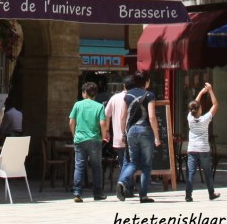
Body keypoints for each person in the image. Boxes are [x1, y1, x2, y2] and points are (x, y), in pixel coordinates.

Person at [115, 71, 160, 203]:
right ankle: (143, 195)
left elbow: (123, 116)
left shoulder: (127, 95)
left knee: (133, 162)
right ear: (146, 81)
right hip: (145, 130)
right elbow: (151, 117)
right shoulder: (149, 95)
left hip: (131, 132)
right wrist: (157, 137)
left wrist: (123, 132)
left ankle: (122, 181)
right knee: (146, 165)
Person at [68, 82, 108, 202]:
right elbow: (103, 123)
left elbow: (71, 122)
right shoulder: (99, 106)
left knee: (79, 166)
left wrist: (74, 135)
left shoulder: (77, 105)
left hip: (80, 139)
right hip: (95, 139)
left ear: (84, 93)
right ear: (95, 94)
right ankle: (97, 193)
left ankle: (77, 192)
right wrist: (103, 135)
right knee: (96, 166)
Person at [185, 82, 221, 202]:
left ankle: (188, 195)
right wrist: (210, 90)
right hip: (204, 149)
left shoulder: (190, 118)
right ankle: (211, 193)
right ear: (199, 110)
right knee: (207, 172)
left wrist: (201, 92)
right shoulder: (205, 119)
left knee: (190, 172)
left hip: (192, 149)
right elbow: (215, 104)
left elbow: (195, 104)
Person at [104, 75, 133, 173]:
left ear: (124, 85)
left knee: (123, 163)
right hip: (134, 136)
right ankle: (127, 183)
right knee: (132, 162)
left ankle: (125, 183)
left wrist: (107, 131)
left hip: (118, 137)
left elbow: (106, 115)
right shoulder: (136, 97)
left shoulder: (114, 98)